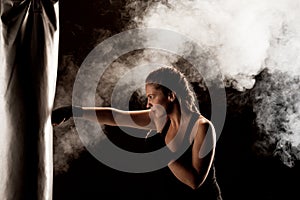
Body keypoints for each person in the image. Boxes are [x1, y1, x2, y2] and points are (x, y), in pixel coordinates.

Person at [52, 66, 223, 199]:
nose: (148, 104)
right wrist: (74, 111)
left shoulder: (201, 127)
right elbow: (116, 116)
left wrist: (160, 145)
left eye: (152, 96)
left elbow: (194, 181)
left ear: (171, 95)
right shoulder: (161, 119)